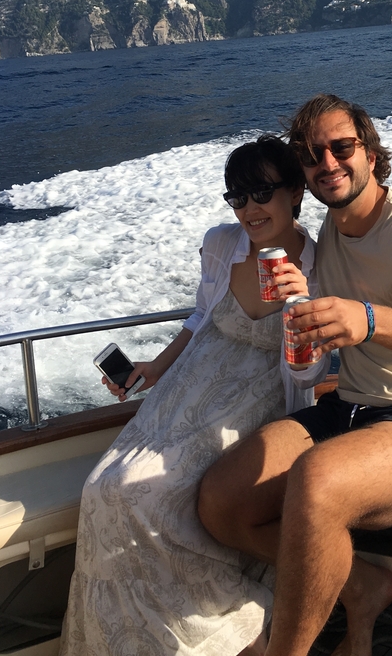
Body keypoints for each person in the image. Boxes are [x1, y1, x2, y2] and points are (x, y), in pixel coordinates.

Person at [198, 95, 392, 656]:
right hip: (352, 408)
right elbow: (263, 300)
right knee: (221, 500)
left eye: (342, 147)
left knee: (315, 481)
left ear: (372, 153)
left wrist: (369, 319)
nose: (328, 163)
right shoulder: (323, 238)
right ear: (303, 176)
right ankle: (362, 587)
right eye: (312, 155)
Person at [60, 135, 327, 656]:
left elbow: (306, 377)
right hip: (191, 383)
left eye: (261, 193)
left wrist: (300, 306)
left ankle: (234, 633)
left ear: (295, 192)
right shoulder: (223, 244)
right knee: (102, 489)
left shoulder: (321, 266)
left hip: (258, 396)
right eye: (237, 197)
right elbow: (202, 317)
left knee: (145, 494)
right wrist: (154, 369)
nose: (249, 208)